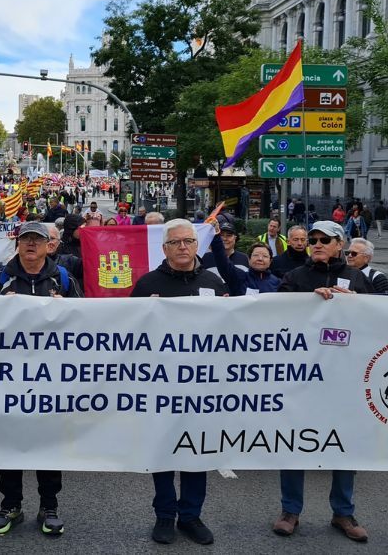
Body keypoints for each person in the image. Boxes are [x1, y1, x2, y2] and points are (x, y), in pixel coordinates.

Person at [273, 220, 372, 543]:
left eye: (324, 240)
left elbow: (379, 322)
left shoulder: (358, 278)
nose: (316, 244)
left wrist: (356, 301)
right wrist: (305, 303)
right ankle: (291, 511)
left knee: (343, 444)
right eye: (312, 239)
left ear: (339, 245)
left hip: (345, 378)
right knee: (293, 443)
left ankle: (343, 512)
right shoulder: (295, 278)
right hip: (301, 376)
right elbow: (274, 322)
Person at [0, 221, 80, 536]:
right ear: (18, 245)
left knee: (48, 445)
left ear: (48, 245)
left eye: (37, 239)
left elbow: (88, 323)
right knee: (10, 444)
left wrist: (69, 310)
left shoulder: (63, 278)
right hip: (10, 379)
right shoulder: (1, 278)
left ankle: (49, 506)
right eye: (26, 240)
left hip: (51, 380)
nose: (32, 245)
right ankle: (10, 505)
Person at [131, 219, 225, 546]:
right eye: (175, 242)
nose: (183, 247)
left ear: (197, 245)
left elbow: (236, 334)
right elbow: (127, 335)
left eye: (188, 241)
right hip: (161, 388)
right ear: (165, 248)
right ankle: (164, 515)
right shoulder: (146, 285)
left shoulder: (215, 283)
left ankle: (191, 516)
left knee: (195, 453)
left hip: (202, 390)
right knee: (163, 453)